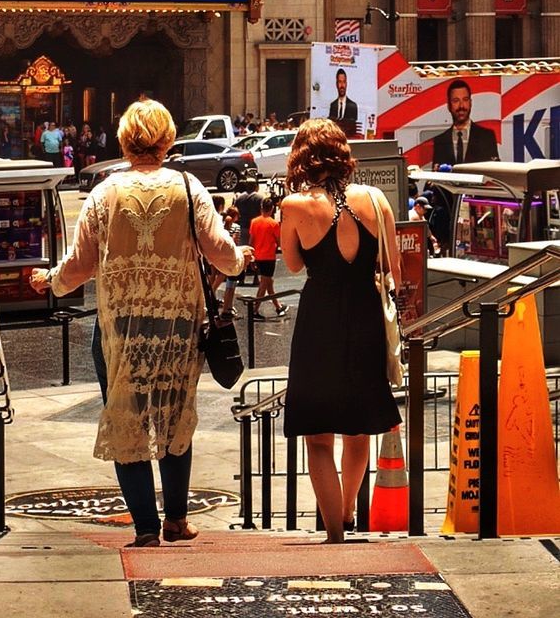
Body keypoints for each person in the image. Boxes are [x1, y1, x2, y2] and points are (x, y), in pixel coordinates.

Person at [29, 98, 251, 548]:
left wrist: (48, 280)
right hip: (177, 324)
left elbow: (79, 266)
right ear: (167, 139)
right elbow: (223, 255)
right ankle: (176, 520)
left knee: (126, 417)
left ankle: (145, 527)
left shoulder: (103, 193)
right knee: (174, 418)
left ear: (125, 140)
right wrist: (243, 256)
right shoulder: (188, 188)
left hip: (118, 325)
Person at [279, 118, 401, 544]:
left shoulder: (295, 207)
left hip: (320, 324)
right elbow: (394, 272)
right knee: (358, 429)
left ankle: (334, 532)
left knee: (318, 438)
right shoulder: (376, 199)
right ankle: (349, 508)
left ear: (302, 158)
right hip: (365, 318)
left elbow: (293, 264)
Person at [431, 78, 500, 168]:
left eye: (465, 99)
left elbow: (494, 173)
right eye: (456, 101)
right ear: (448, 106)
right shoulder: (440, 141)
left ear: (470, 103)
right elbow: (435, 178)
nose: (461, 106)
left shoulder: (486, 137)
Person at [249, 199, 288, 319]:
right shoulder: (273, 224)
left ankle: (278, 306)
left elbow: (251, 240)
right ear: (271, 209)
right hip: (269, 257)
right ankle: (254, 310)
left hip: (258, 256)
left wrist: (251, 257)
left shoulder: (254, 222)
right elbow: (278, 240)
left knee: (268, 283)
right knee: (264, 284)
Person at [328, 69, 358, 138]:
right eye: (339, 82)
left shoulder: (353, 106)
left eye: (344, 82)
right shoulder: (333, 105)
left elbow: (353, 130)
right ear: (336, 84)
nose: (342, 86)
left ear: (346, 84)